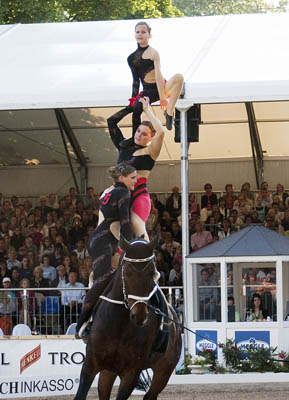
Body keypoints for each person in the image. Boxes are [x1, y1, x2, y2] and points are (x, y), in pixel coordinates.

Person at [75, 163, 136, 338]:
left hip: (101, 239)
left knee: (110, 279)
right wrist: (129, 245)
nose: (135, 181)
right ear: (122, 178)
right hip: (103, 240)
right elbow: (124, 222)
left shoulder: (108, 191)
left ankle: (97, 319)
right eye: (132, 178)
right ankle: (81, 325)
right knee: (102, 280)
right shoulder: (123, 192)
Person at [108, 96, 164, 240]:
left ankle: (148, 259)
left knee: (136, 223)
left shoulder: (150, 152)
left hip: (139, 195)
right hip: (121, 195)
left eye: (145, 134)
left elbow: (161, 132)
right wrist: (130, 108)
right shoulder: (123, 147)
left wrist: (147, 110)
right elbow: (111, 121)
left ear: (151, 138)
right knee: (112, 227)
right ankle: (123, 257)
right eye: (138, 131)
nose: (139, 135)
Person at [127, 21, 184, 132]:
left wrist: (162, 97)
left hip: (161, 88)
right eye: (137, 32)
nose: (140, 34)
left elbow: (159, 76)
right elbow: (135, 80)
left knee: (179, 77)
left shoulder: (153, 53)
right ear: (134, 35)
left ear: (149, 35)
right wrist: (133, 99)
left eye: (143, 32)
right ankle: (134, 138)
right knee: (138, 108)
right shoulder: (131, 58)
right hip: (149, 91)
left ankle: (169, 112)